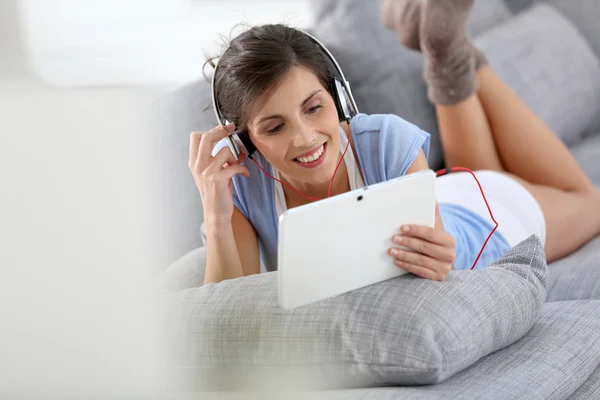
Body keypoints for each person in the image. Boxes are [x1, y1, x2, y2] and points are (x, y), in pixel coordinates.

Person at [190, 0, 600, 285]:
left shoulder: (384, 139)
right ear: (245, 141)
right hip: (449, 191)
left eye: (314, 108)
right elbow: (229, 314)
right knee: (481, 169)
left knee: (590, 202)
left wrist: (441, 263)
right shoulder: (242, 186)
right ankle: (447, 49)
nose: (305, 137)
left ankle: (452, 52)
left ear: (340, 98)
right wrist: (216, 215)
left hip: (488, 223)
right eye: (274, 128)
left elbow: (442, 270)